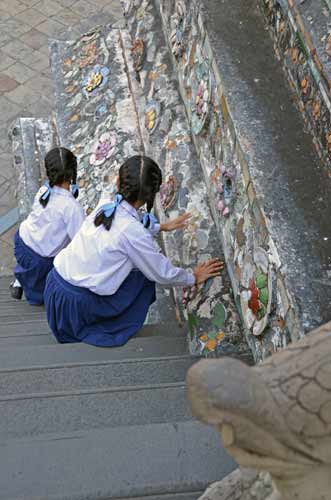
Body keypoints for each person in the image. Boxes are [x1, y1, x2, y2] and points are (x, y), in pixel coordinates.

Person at [44, 155, 223, 347]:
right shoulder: (133, 232)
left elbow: (124, 227)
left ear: (119, 181)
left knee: (135, 266)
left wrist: (161, 227)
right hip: (75, 307)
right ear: (149, 195)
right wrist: (193, 277)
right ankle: (113, 324)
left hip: (55, 287)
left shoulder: (106, 204)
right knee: (144, 277)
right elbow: (162, 273)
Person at [10, 147, 85, 305]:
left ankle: (20, 279)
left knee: (30, 261)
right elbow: (79, 242)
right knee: (41, 297)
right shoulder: (71, 207)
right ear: (72, 173)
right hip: (40, 261)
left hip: (22, 241)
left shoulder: (43, 191)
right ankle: (28, 285)